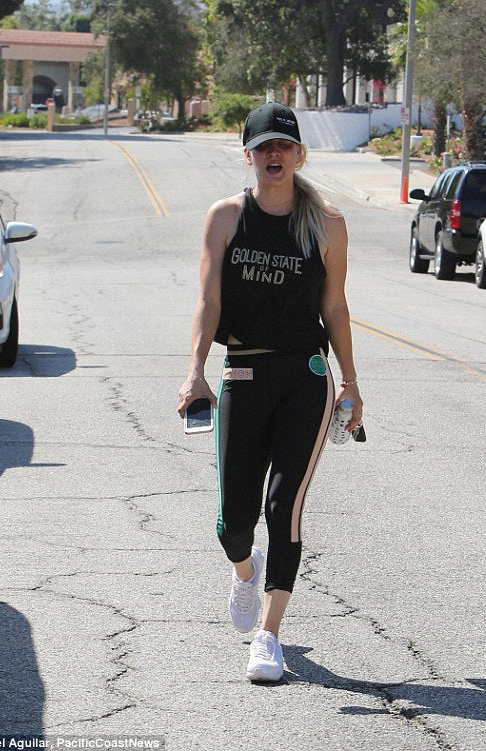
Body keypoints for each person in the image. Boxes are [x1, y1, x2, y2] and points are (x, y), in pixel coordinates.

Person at [177, 102, 363, 682]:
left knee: (284, 507)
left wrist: (351, 385)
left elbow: (334, 306)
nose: (274, 155)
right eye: (264, 147)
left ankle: (269, 634)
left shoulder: (327, 224)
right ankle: (244, 571)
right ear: (249, 155)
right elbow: (209, 302)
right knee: (233, 520)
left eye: (284, 146)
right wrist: (195, 371)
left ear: (299, 154)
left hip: (305, 376)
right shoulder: (227, 217)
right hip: (242, 374)